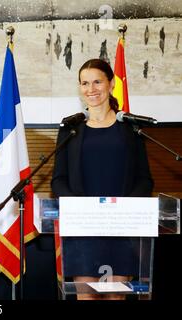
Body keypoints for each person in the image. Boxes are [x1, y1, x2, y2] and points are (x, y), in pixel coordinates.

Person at [51, 58, 154, 300]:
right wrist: (82, 209)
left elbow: (144, 179)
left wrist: (122, 210)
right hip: (83, 228)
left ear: (111, 84)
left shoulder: (131, 128)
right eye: (85, 83)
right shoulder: (71, 128)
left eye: (97, 81)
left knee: (115, 297)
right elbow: (58, 180)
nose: (91, 89)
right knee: (86, 296)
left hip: (122, 227)